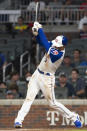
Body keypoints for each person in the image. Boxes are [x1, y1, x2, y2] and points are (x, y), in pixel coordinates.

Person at [14, 22, 82, 128]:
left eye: (57, 43)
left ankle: (73, 117)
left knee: (52, 103)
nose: (55, 44)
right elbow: (41, 42)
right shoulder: (55, 44)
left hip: (47, 78)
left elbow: (46, 45)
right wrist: (36, 34)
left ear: (62, 46)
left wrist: (40, 29)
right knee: (29, 98)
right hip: (37, 74)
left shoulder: (59, 54)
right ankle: (18, 120)